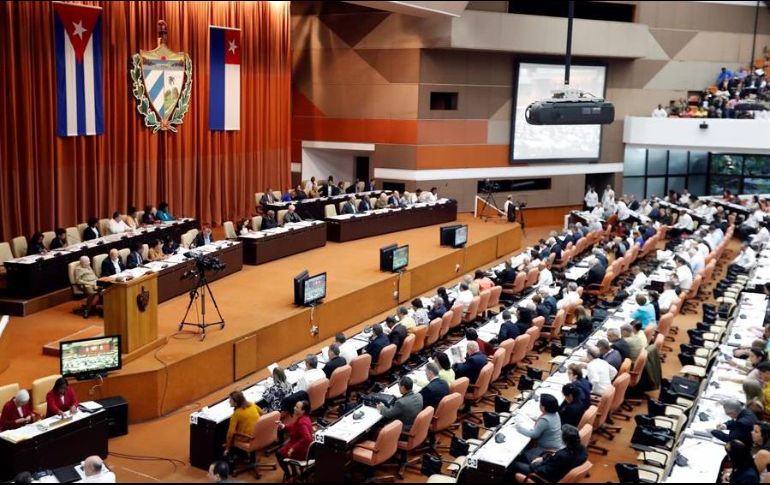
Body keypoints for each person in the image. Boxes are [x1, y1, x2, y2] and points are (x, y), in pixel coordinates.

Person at [513, 424, 587, 483]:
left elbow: (544, 471)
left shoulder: (562, 455)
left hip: (544, 476)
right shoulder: (582, 450)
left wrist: (534, 465)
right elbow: (555, 460)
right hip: (557, 469)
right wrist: (543, 458)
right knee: (523, 456)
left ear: (565, 439)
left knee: (513, 465)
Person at [515, 394, 564, 462]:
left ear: (543, 407)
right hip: (556, 444)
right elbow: (547, 423)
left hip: (546, 449)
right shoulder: (556, 413)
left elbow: (534, 435)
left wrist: (518, 428)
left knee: (521, 455)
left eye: (540, 404)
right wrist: (535, 418)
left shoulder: (544, 420)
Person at [276, 400, 314, 482]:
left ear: (303, 411)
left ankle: (289, 476)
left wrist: (293, 448)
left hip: (301, 452)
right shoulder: (305, 418)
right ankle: (294, 473)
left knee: (279, 454)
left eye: (297, 407)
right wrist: (283, 426)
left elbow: (307, 439)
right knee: (282, 447)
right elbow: (294, 426)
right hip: (303, 447)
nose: (294, 408)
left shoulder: (301, 422)